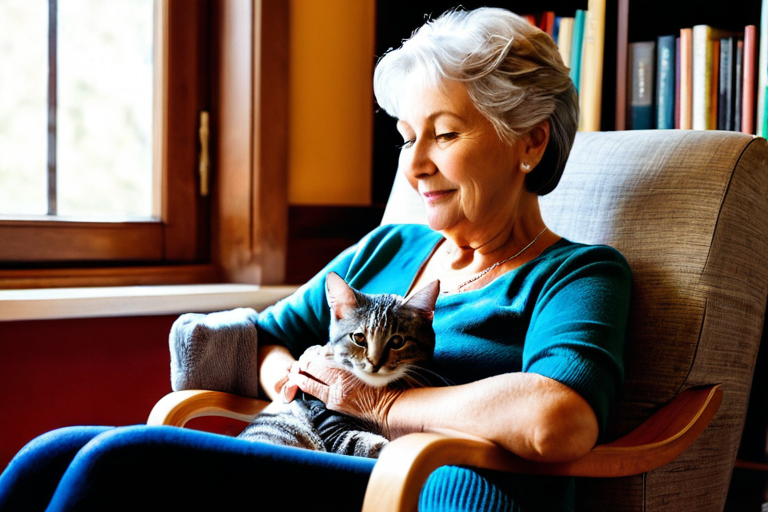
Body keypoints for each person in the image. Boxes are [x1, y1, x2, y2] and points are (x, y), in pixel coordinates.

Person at [0, 7, 630, 512]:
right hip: (321, 455)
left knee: (124, 463)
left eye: (444, 134)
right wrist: (299, 382)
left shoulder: (577, 274)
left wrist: (376, 404)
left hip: (415, 489)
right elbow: (254, 342)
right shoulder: (391, 247)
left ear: (531, 140)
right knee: (48, 456)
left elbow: (557, 420)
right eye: (408, 138)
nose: (413, 166)